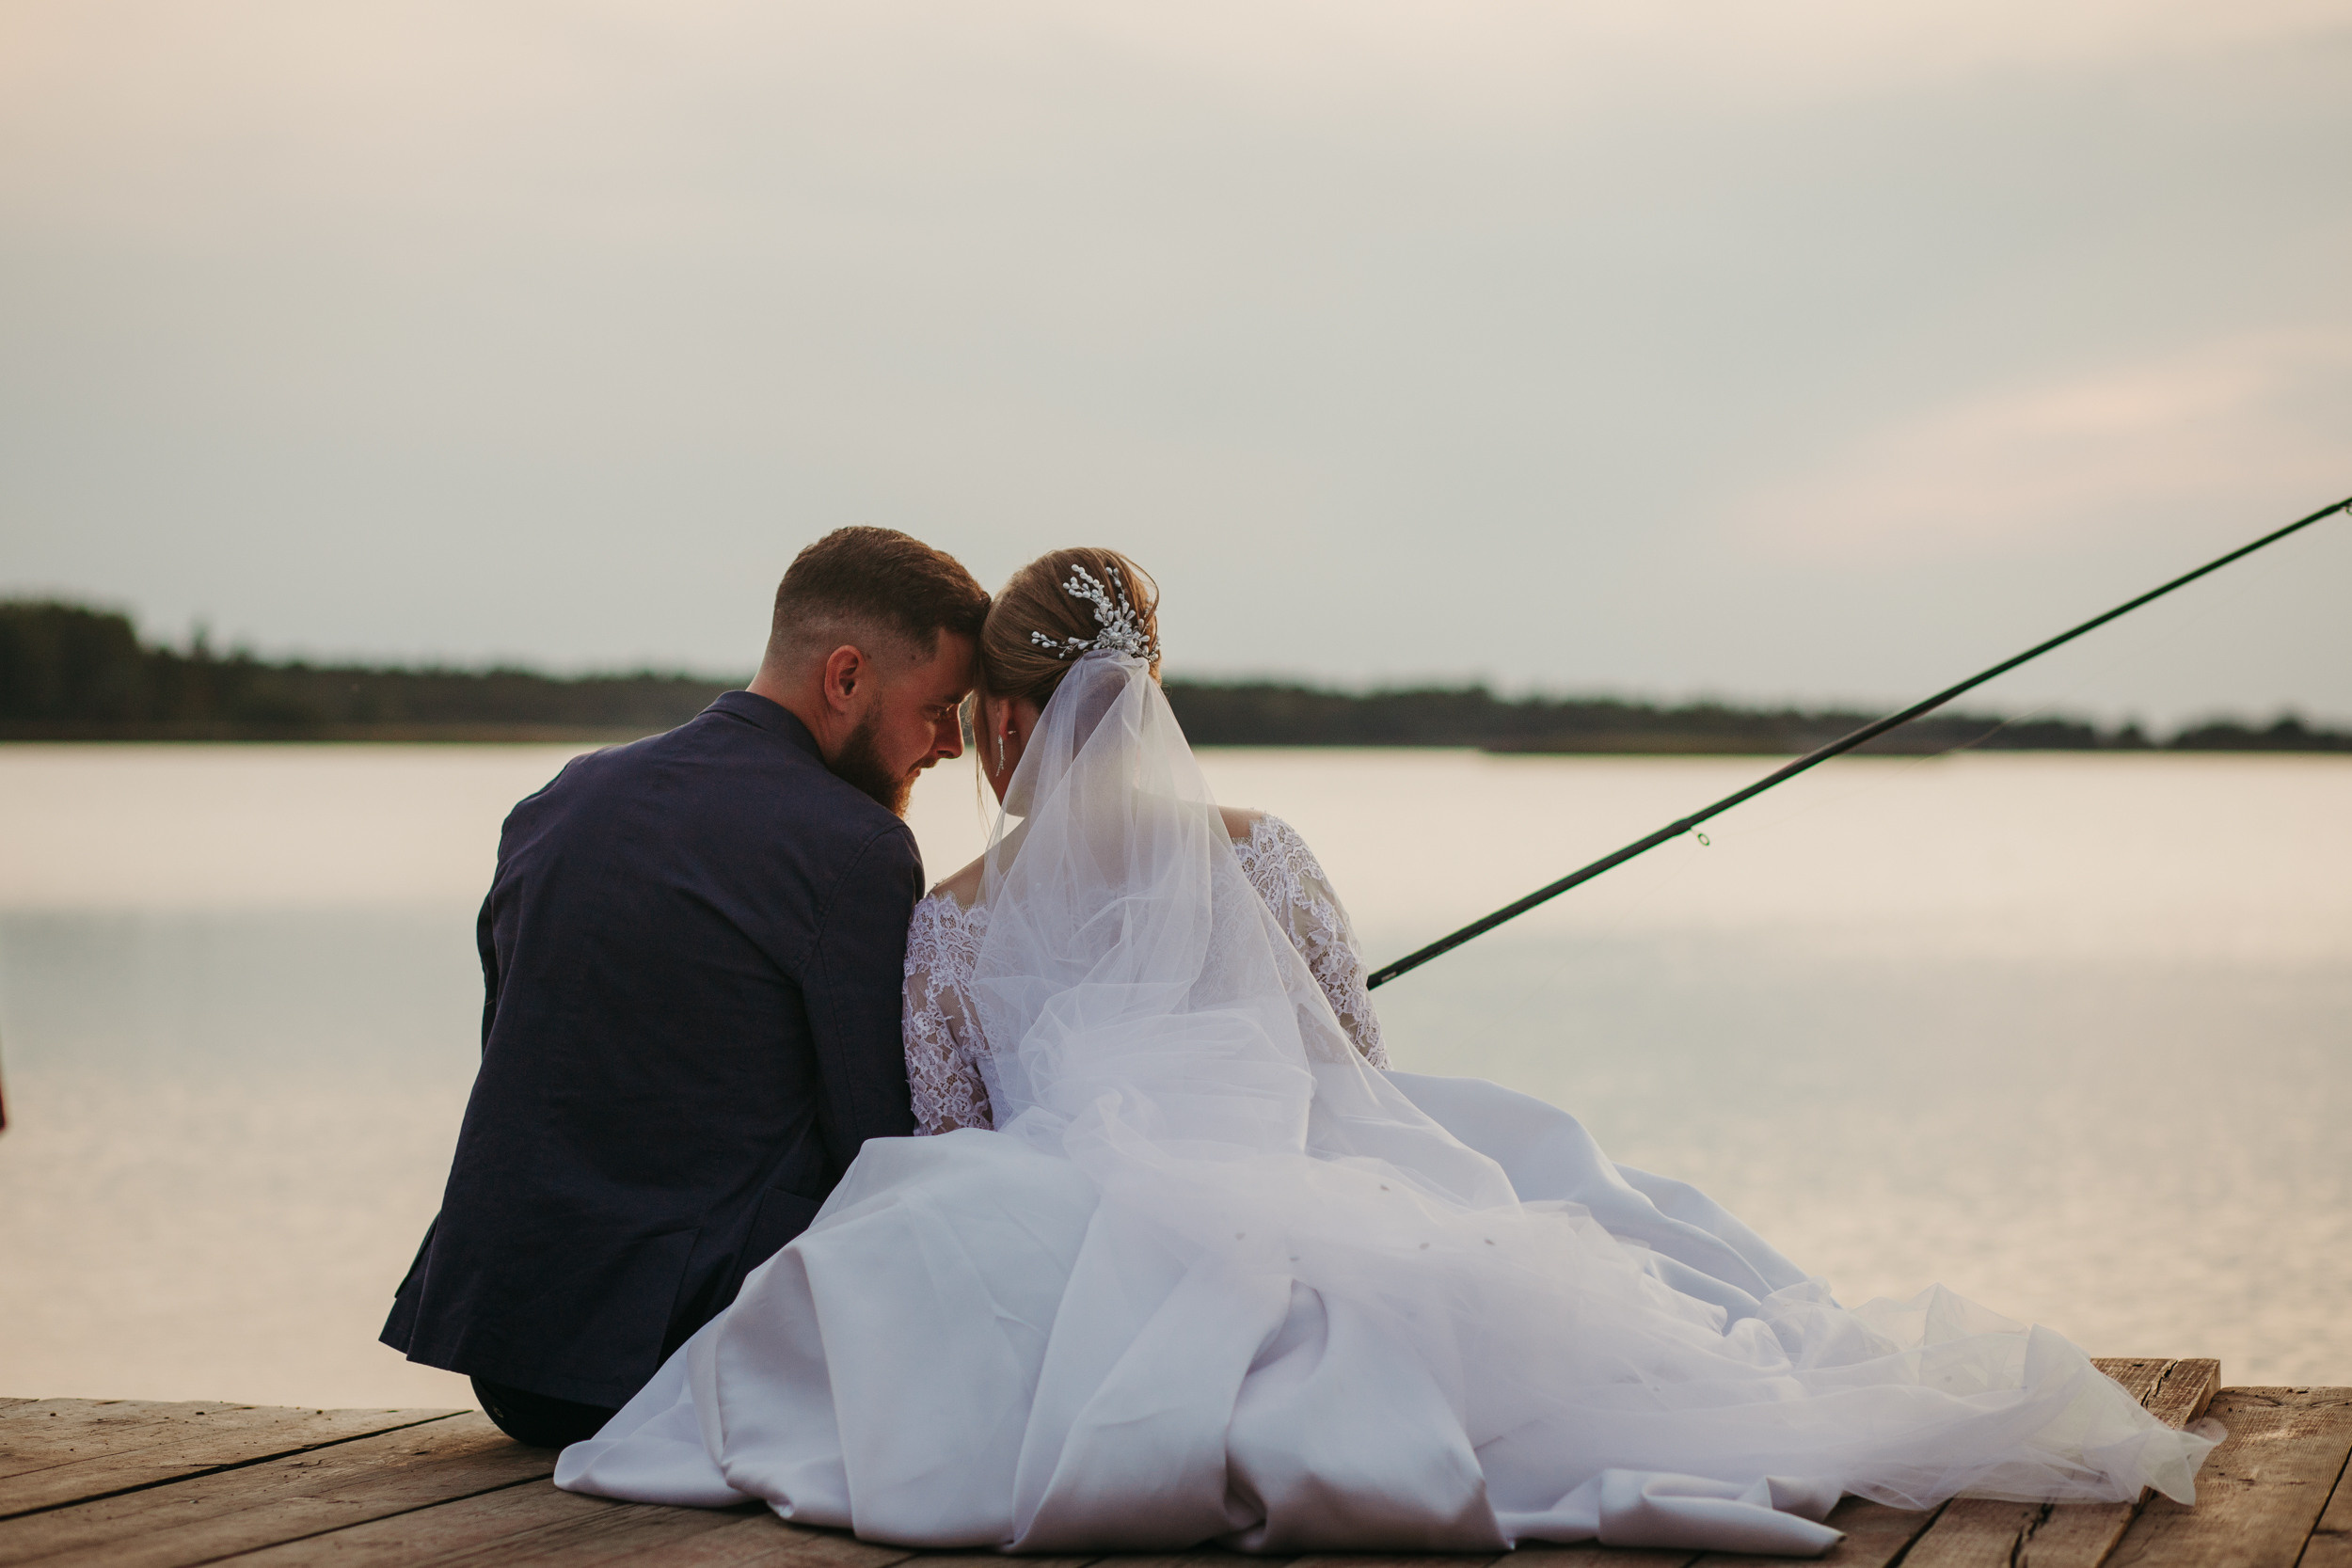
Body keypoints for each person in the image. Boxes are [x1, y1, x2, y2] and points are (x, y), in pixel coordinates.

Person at [556, 548, 2217, 1555]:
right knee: (1559, 1180)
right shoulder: (1265, 851)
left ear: (1000, 718)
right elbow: (1353, 1059)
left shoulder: (950, 917)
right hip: (1293, 1169)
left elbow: (952, 1119)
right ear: (1152, 689)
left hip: (1070, 1219)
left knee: (929, 1226)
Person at [381, 527, 989, 1449]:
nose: (950, 744)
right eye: (941, 707)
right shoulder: (852, 846)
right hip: (682, 1372)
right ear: (847, 677)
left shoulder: (562, 798)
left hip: (507, 1360)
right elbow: (878, 1140)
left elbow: (511, 1046)